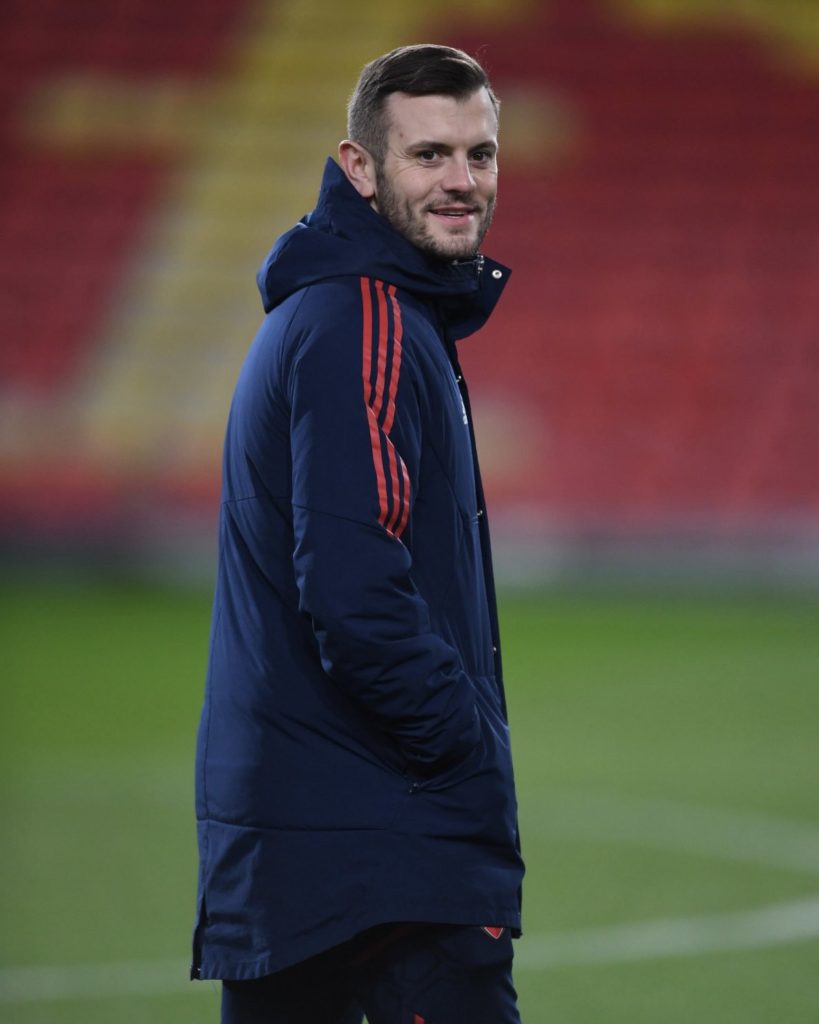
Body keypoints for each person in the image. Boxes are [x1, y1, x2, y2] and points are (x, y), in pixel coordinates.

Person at [191, 43, 525, 1024]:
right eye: (429, 155)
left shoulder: (351, 310)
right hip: (381, 849)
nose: (463, 181)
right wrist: (466, 753)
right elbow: (353, 590)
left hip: (302, 839)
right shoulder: (365, 321)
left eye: (481, 153)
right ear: (360, 168)